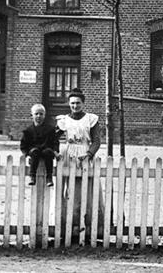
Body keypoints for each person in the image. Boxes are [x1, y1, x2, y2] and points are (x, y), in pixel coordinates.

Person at [56, 88, 101, 240]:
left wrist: (89, 154)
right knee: (70, 192)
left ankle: (88, 228)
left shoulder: (91, 119)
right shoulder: (63, 121)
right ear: (69, 104)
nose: (75, 106)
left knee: (87, 192)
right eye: (73, 103)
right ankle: (69, 227)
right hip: (69, 156)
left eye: (78, 103)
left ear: (83, 103)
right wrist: (56, 152)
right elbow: (52, 138)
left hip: (85, 155)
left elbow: (96, 140)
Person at [20, 103, 60, 186]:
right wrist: (26, 153)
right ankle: (32, 176)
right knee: (35, 151)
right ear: (32, 115)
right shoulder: (28, 130)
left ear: (44, 115)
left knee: (48, 152)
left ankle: (49, 177)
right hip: (34, 151)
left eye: (41, 114)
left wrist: (55, 151)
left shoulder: (50, 129)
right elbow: (23, 144)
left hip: (46, 150)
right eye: (36, 114)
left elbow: (55, 142)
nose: (39, 116)